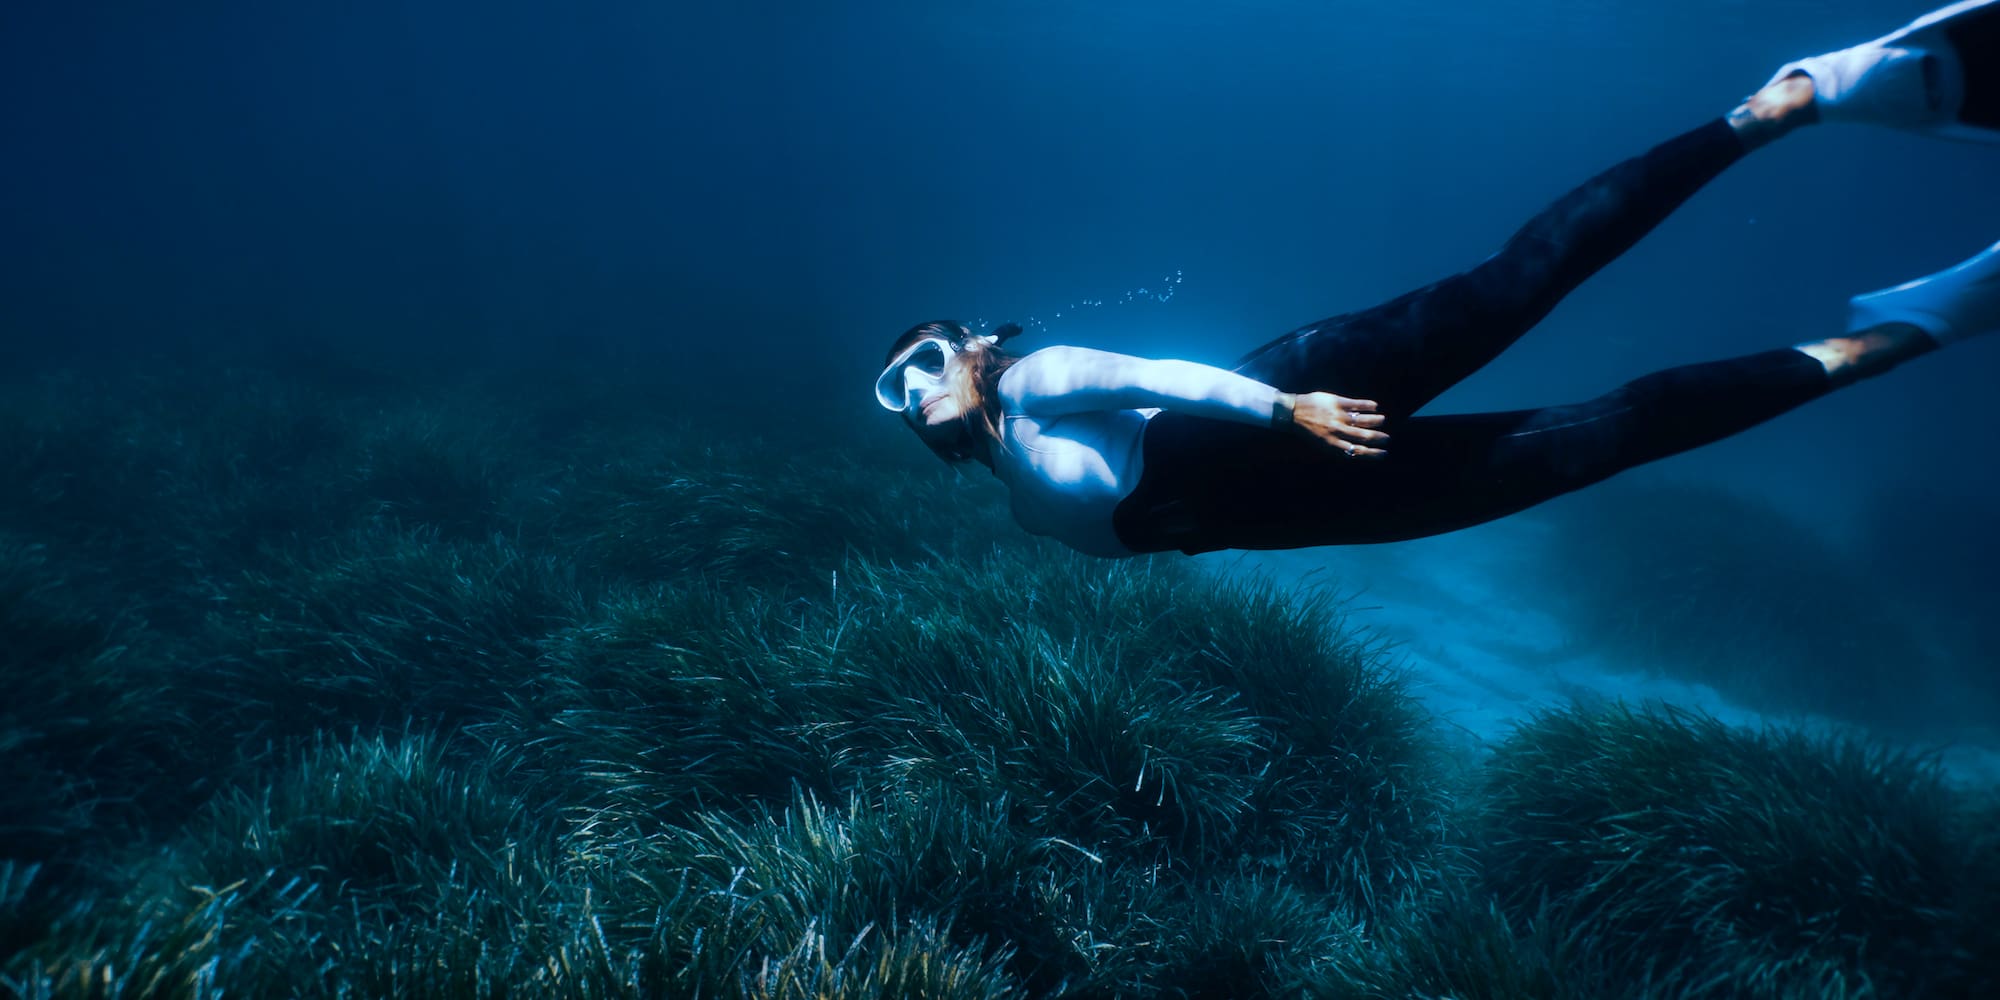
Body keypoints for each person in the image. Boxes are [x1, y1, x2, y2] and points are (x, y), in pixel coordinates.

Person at [874, 0, 2000, 558]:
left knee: (1515, 284)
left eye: (923, 355)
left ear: (971, 346)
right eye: (895, 387)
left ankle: (1779, 106)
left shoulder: (1030, 379)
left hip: (1295, 408)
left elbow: (1161, 371)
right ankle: (1888, 340)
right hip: (1303, 505)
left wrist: (1286, 404)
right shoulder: (1014, 490)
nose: (914, 384)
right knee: (1600, 439)